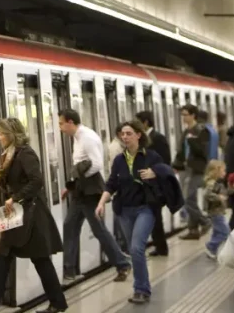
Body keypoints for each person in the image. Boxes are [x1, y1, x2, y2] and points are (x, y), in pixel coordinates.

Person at [0, 118, 66, 313]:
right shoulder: (8, 155)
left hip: (32, 215)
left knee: (40, 259)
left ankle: (58, 303)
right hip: (17, 213)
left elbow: (36, 181)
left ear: (11, 135)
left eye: (1, 133)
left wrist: (15, 197)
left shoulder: (25, 154)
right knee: (3, 254)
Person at [95, 120, 168, 305]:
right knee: (134, 250)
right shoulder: (119, 159)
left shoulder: (150, 157)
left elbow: (166, 171)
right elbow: (111, 183)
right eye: (122, 134)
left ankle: (141, 289)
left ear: (138, 135)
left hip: (145, 209)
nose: (124, 137)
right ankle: (142, 287)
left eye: (128, 133)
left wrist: (155, 173)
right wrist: (102, 202)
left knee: (136, 248)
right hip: (124, 211)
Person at [58, 109, 130, 283]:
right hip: (81, 190)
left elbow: (96, 165)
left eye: (61, 124)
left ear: (70, 122)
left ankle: (122, 264)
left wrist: (80, 180)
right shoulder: (77, 137)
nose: (60, 128)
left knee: (99, 230)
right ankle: (69, 270)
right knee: (70, 225)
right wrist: (73, 185)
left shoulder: (87, 138)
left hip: (90, 191)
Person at [172, 104, 211, 240]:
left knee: (187, 198)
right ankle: (193, 230)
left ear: (193, 115)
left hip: (197, 169)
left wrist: (192, 141)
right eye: (182, 115)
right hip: (185, 168)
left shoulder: (201, 130)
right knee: (190, 198)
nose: (183, 117)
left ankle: (204, 221)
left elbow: (203, 151)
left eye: (186, 114)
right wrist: (175, 164)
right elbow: (181, 150)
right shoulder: (186, 131)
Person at [136, 111, 170, 257]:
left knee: (155, 216)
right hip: (148, 184)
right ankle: (159, 245)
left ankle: (161, 247)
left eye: (138, 122)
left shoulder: (158, 138)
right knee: (153, 216)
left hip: (157, 184)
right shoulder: (145, 139)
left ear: (145, 122)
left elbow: (165, 160)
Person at [202, 160, 231, 259]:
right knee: (225, 232)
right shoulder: (212, 183)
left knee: (217, 232)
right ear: (216, 171)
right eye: (223, 171)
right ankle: (210, 246)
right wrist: (219, 197)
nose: (225, 173)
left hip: (218, 211)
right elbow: (207, 194)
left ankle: (212, 250)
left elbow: (225, 193)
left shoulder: (218, 183)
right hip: (215, 212)